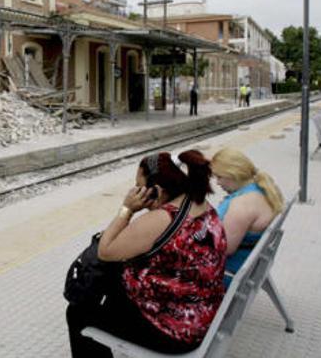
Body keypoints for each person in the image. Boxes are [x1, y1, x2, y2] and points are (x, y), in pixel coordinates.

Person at [66, 151, 227, 356]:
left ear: (157, 190)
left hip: (175, 331)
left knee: (78, 312)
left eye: (139, 187)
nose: (135, 192)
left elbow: (104, 251)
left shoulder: (162, 219)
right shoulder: (199, 203)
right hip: (199, 310)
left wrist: (127, 209)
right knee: (106, 282)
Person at [210, 148, 285, 286]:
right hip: (247, 260)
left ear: (234, 174)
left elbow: (224, 249)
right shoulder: (260, 188)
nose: (217, 183)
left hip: (228, 272)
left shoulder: (242, 205)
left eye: (219, 177)